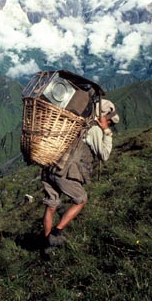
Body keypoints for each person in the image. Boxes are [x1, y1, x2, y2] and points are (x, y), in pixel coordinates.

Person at [41, 99, 120, 249]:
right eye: (110, 121)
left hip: (50, 167)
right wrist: (107, 133)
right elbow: (104, 155)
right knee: (81, 199)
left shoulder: (77, 120)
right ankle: (56, 234)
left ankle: (46, 244)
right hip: (64, 171)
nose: (110, 124)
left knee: (51, 205)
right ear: (103, 116)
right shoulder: (94, 129)